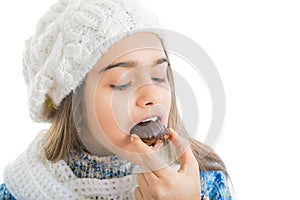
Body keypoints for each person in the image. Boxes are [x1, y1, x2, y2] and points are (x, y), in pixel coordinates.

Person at [0, 0, 232, 199]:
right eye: (122, 82)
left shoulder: (205, 185)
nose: (152, 95)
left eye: (159, 76)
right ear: (75, 107)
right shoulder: (19, 191)